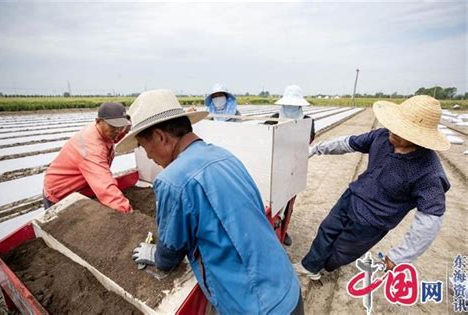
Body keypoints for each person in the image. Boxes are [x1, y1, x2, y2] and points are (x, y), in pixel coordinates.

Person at [119, 89, 303, 314]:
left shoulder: (172, 180)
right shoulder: (224, 155)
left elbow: (169, 254)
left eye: (143, 146)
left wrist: (156, 255)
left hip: (256, 307)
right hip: (286, 287)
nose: (147, 155)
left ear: (159, 137)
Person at [295, 95, 451, 280]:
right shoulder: (382, 136)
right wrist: (316, 149)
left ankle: (325, 265)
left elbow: (429, 220)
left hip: (372, 221)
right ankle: (309, 266)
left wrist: (400, 256)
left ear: (418, 137)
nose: (393, 130)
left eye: (402, 130)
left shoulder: (429, 172)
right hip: (352, 197)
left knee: (342, 252)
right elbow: (348, 143)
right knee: (327, 230)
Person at [43, 102, 132, 212]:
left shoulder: (105, 132)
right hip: (60, 194)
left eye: (120, 126)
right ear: (98, 121)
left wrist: (126, 129)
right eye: (113, 126)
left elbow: (116, 135)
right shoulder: (91, 148)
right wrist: (128, 212)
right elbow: (105, 187)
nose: (117, 130)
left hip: (81, 188)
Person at [267, 85, 316, 246]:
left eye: (295, 105)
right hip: (274, 167)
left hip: (294, 167)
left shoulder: (308, 121)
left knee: (288, 202)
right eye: (289, 104)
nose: (291, 107)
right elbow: (263, 137)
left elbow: (308, 141)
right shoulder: (273, 118)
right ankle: (270, 229)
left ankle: (284, 229)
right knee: (272, 201)